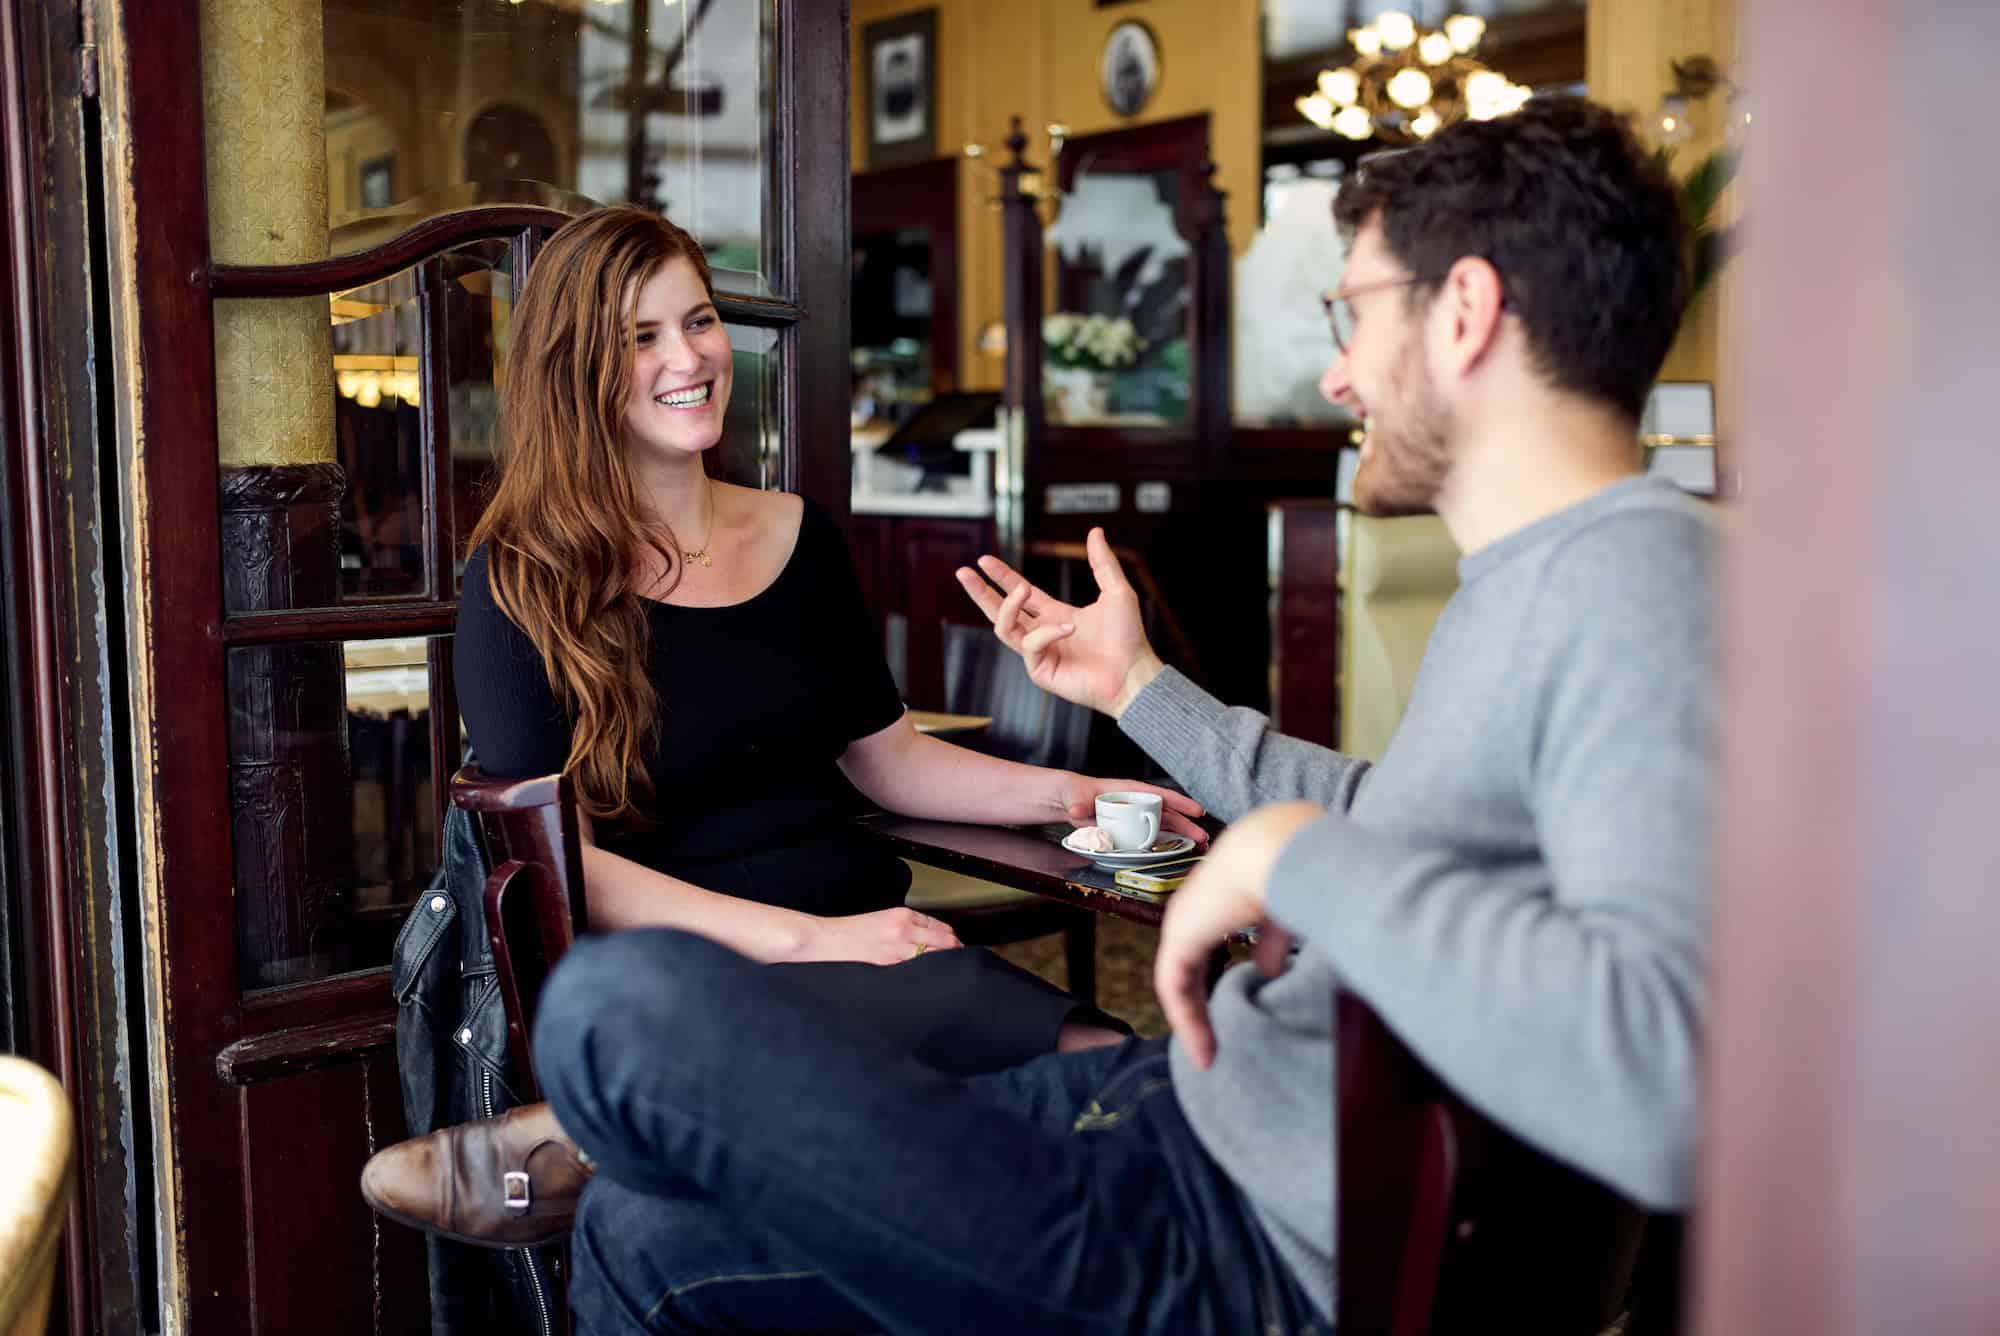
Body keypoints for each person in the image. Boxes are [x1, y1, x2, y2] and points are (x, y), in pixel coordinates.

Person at [378, 95, 1716, 1335]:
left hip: (1227, 1235)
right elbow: (1397, 827)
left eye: (1349, 311)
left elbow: (1656, 1071)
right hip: (1202, 1129)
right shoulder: (1541, 586)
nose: (1336, 377)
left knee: (623, 1016)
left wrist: (1286, 854)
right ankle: (632, 1142)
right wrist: (1142, 697)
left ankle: (620, 1127)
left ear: (1467, 311)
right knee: (635, 1228)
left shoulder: (1632, 586)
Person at [363, 204, 1205, 1242]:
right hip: (696, 981)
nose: (689, 355)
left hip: (877, 952)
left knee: (1118, 1088)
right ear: (575, 367)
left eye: (699, 320)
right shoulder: (520, 579)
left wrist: (1074, 795)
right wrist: (817, 942)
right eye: (640, 336)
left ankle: (600, 1143)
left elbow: (887, 758)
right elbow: (558, 862)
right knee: (979, 1152)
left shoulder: (800, 535)